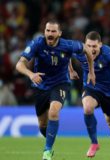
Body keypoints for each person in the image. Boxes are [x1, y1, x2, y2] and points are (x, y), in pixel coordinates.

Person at [15, 20, 95, 160]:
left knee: (53, 111)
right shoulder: (38, 43)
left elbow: (87, 50)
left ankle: (47, 151)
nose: (50, 34)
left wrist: (91, 72)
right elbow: (19, 64)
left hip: (60, 83)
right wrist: (31, 74)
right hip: (41, 85)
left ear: (59, 33)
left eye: (53, 31)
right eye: (48, 31)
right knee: (42, 124)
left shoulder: (68, 44)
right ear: (44, 31)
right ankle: (50, 140)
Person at [69, 31, 110, 160]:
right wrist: (71, 70)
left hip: (109, 93)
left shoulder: (108, 53)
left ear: (100, 45)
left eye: (94, 46)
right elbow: (65, 52)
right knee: (87, 108)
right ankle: (94, 142)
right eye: (89, 46)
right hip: (91, 88)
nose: (91, 49)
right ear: (85, 44)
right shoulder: (79, 50)